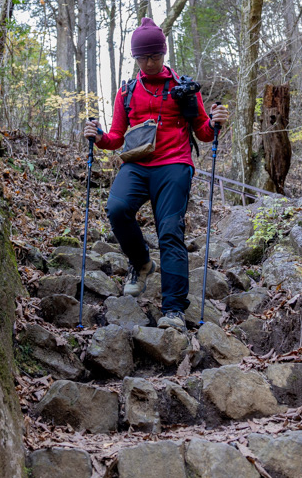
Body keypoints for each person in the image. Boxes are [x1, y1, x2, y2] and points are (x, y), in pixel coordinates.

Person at [83, 17, 229, 333]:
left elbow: (203, 133)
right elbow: (117, 138)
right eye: (143, 57)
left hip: (175, 164)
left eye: (155, 56)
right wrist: (97, 136)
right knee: (117, 209)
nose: (149, 62)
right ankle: (141, 263)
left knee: (169, 230)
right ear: (135, 58)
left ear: (163, 53)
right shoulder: (127, 91)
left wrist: (216, 122)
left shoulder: (183, 88)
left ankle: (174, 310)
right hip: (137, 163)